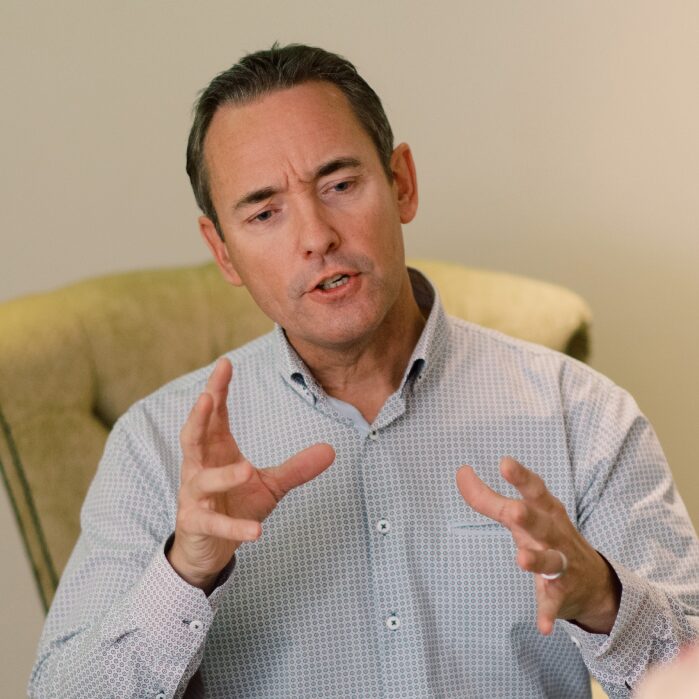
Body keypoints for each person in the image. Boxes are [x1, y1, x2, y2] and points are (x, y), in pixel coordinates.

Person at [29, 43, 699, 699]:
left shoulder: (581, 412)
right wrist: (185, 572)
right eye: (264, 212)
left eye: (341, 185)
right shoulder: (155, 443)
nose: (316, 236)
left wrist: (603, 597)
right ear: (222, 250)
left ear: (402, 182)